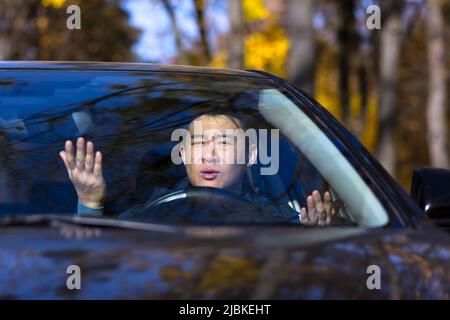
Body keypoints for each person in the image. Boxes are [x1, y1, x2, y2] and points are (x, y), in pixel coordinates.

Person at [59, 113, 336, 226]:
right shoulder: (148, 215)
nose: (210, 154)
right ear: (182, 154)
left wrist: (313, 238)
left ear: (250, 155)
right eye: (199, 142)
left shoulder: (278, 220)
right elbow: (94, 257)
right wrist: (90, 202)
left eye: (224, 142)